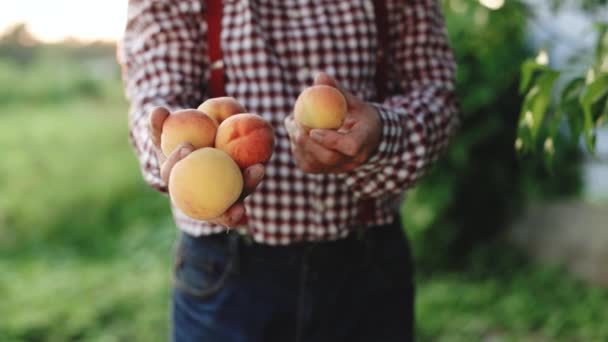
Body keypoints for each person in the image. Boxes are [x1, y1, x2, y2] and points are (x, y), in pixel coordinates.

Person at [119, 0, 458, 341]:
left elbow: (436, 93)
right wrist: (170, 152)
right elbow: (156, 94)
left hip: (369, 268)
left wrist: (384, 132)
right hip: (225, 273)